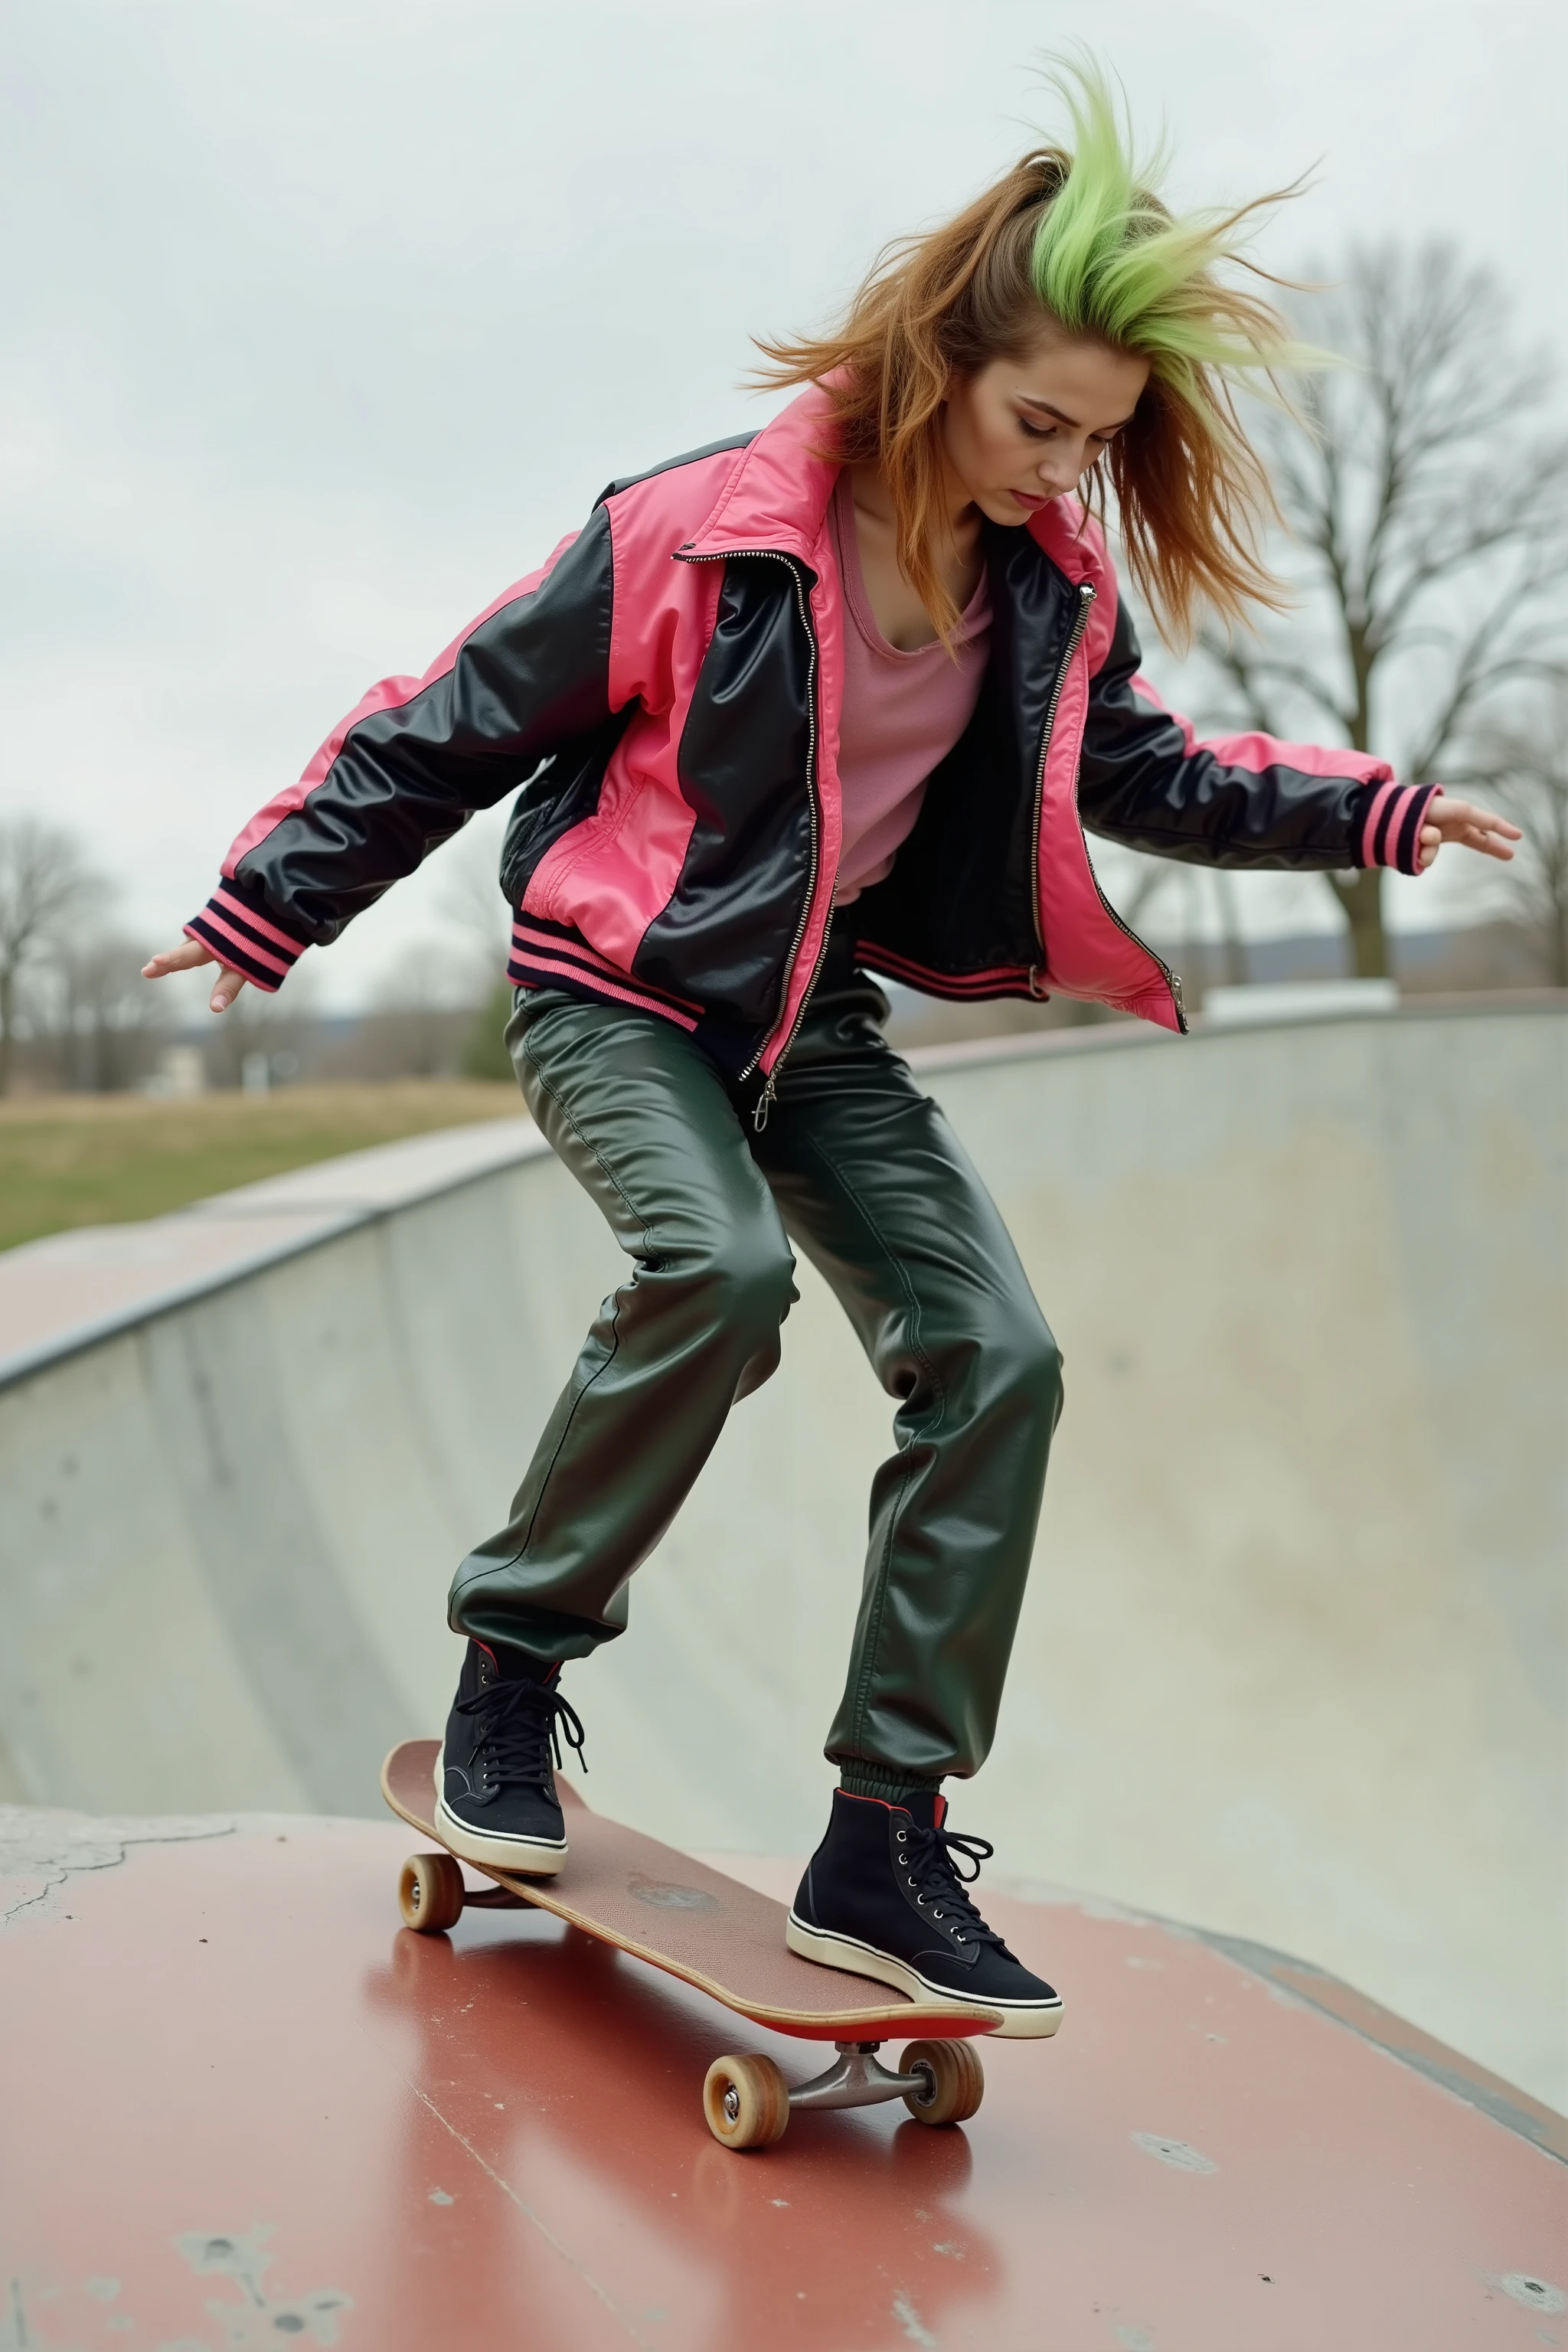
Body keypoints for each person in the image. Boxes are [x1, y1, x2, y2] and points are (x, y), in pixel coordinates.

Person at [145, 67, 1518, 2040]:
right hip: (615, 993)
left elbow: (1144, 771)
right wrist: (266, 906)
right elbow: (450, 716)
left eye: (1099, 441)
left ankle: (883, 1837)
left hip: (813, 1026)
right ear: (945, 363)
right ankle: (509, 1679)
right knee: (717, 1270)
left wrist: (1371, 810)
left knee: (1001, 1357)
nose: (1065, 471)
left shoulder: (1045, 582)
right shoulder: (704, 530)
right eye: (1039, 423)